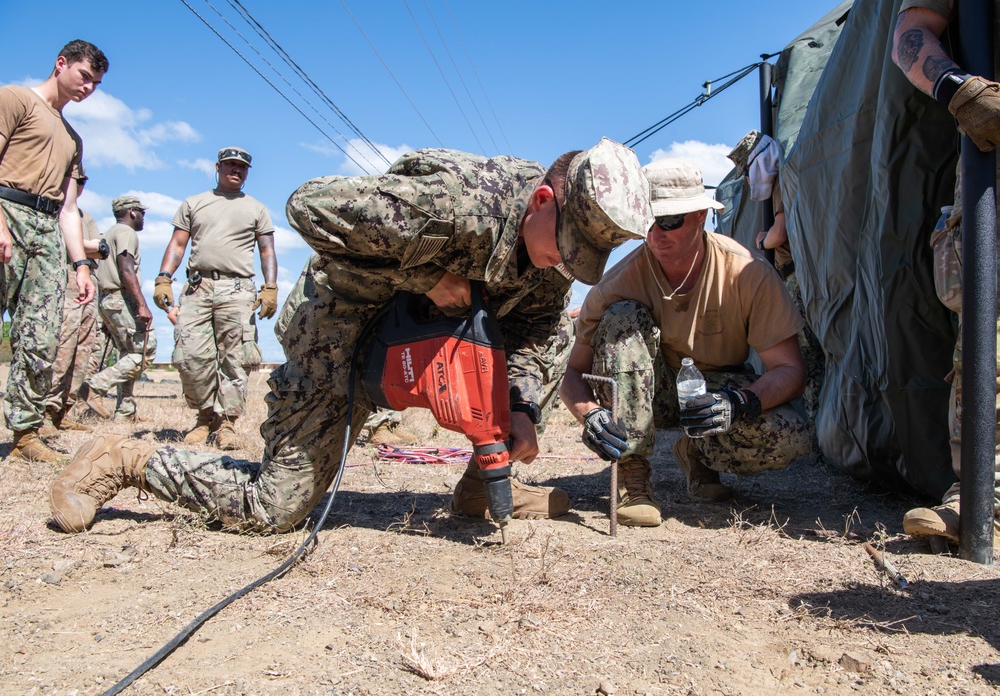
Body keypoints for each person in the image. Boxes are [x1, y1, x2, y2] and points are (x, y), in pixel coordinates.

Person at [49, 137, 653, 534]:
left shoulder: (551, 259)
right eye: (566, 246)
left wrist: (517, 408)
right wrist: (431, 275)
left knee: (545, 345)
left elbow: (535, 330)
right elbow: (308, 205)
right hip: (341, 335)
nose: (563, 265)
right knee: (277, 508)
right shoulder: (458, 202)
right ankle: (124, 460)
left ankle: (484, 485)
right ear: (541, 201)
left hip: (424, 349)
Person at [559, 158, 813, 527]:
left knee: (791, 436)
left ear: (700, 217)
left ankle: (699, 454)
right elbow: (573, 373)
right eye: (646, 222)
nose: (655, 233)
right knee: (623, 315)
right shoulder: (615, 284)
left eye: (669, 221)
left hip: (716, 394)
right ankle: (632, 473)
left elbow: (789, 370)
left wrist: (736, 404)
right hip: (649, 392)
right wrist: (591, 415)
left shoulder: (746, 274)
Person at [892, 0, 1000, 544]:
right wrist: (958, 90)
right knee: (987, 321)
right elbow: (911, 35)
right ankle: (985, 493)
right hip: (993, 144)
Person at [0, 40, 106, 462]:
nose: (88, 88)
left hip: (46, 231)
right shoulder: (15, 99)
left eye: (96, 83)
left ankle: (25, 435)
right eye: (84, 76)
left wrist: (80, 264)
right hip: (7, 209)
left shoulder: (72, 138)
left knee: (40, 336)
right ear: (61, 64)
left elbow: (69, 207)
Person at [153, 146, 278, 451]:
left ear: (247, 172)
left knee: (235, 359)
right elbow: (178, 244)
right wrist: (164, 278)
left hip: (237, 290)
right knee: (189, 356)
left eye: (243, 167)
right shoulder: (194, 203)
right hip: (198, 287)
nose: (237, 170)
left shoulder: (257, 209)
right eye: (231, 165)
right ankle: (204, 415)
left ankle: (227, 424)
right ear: (218, 167)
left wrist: (270, 287)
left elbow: (266, 250)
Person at [731, 130, 825, 424]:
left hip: (795, 277)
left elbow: (779, 234)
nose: (748, 178)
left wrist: (761, 240)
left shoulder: (783, 182)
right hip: (792, 275)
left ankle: (814, 421)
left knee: (805, 354)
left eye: (748, 170)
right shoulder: (781, 182)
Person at [41, 168, 109, 435]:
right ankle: (44, 412)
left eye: (82, 181)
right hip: (62, 279)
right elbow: (70, 241)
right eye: (74, 180)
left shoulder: (84, 216)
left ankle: (61, 411)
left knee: (83, 351)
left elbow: (102, 250)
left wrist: (82, 244)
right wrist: (85, 244)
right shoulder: (47, 209)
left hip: (86, 281)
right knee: (61, 348)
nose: (78, 186)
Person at [79, 196, 156, 420]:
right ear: (132, 212)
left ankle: (125, 411)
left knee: (128, 353)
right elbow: (126, 270)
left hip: (106, 299)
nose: (143, 217)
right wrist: (142, 304)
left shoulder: (108, 233)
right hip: (121, 297)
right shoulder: (126, 233)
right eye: (141, 212)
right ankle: (94, 387)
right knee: (145, 351)